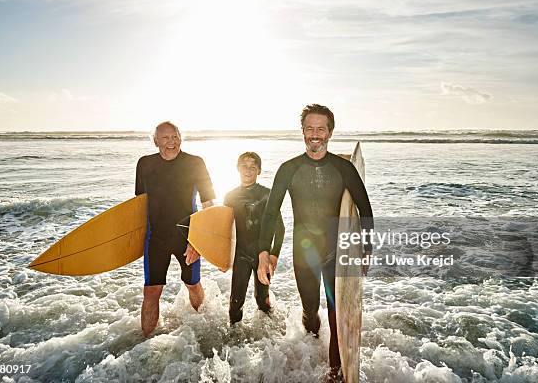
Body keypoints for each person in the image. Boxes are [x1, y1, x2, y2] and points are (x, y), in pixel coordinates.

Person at [257, 104, 373, 380]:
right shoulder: (289, 169)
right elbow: (271, 212)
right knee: (311, 311)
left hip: (337, 252)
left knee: (336, 315)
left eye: (321, 129)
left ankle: (334, 373)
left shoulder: (343, 168)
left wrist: (366, 249)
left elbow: (365, 209)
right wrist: (265, 252)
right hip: (303, 254)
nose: (315, 134)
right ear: (303, 132)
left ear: (330, 132)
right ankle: (311, 340)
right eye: (309, 129)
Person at [135, 121, 215, 337]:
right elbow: (139, 204)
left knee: (193, 284)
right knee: (151, 291)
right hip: (156, 239)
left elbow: (208, 207)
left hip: (187, 238)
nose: (171, 142)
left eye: (175, 136)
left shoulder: (195, 163)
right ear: (155, 141)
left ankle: (202, 330)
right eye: (165, 138)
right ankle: (144, 342)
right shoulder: (144, 164)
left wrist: (199, 242)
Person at [224, 152, 285, 324]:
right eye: (244, 166)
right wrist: (222, 258)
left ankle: (269, 334)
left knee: (262, 299)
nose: (248, 170)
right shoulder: (230, 196)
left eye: (253, 167)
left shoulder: (268, 195)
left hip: (263, 256)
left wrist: (274, 255)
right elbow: (224, 231)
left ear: (259, 170)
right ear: (238, 169)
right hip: (240, 255)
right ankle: (234, 337)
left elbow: (280, 229)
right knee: (236, 301)